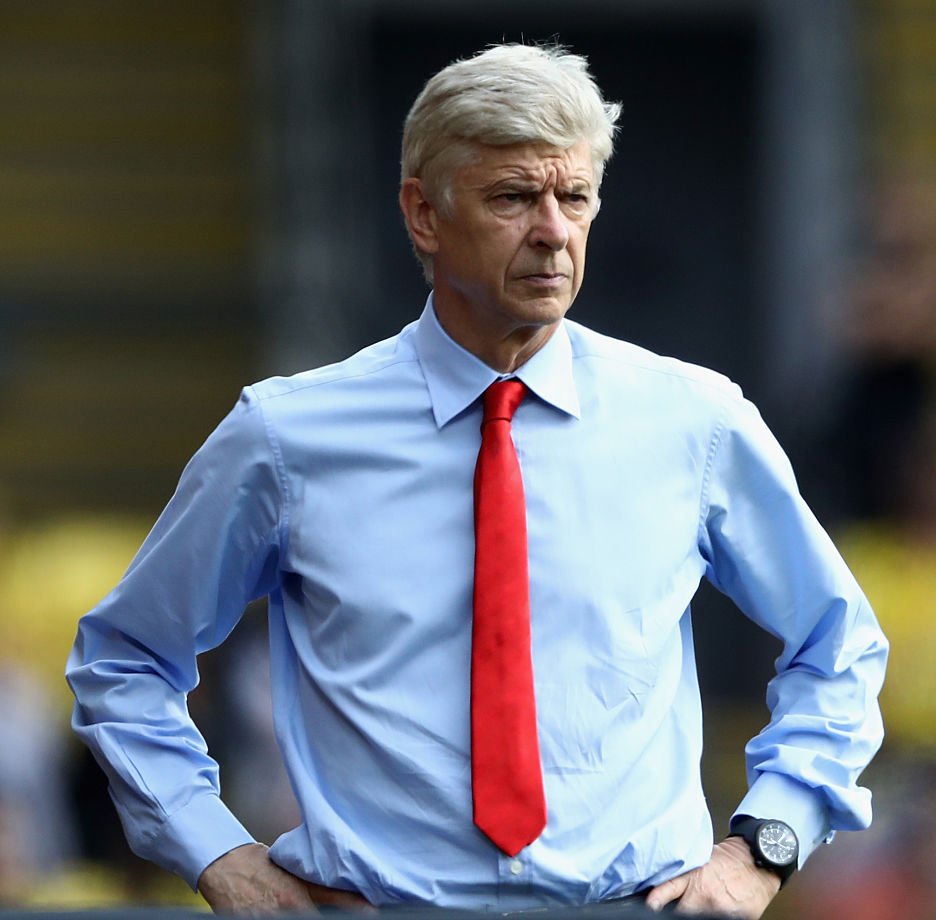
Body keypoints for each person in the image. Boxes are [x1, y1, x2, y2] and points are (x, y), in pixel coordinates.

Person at [66, 43, 887, 919]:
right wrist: (215, 851)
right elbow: (124, 660)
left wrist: (766, 842)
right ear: (423, 215)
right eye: (512, 198)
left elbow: (838, 643)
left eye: (573, 198)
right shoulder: (286, 437)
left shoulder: (694, 420)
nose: (553, 231)